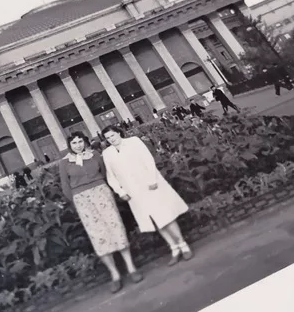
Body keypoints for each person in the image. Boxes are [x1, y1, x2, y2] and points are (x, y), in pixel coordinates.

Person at [59, 131, 143, 292]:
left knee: (115, 226)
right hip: (82, 200)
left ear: (85, 141)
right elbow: (65, 187)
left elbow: (104, 173)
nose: (78, 145)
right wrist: (78, 199)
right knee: (97, 234)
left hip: (102, 193)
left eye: (80, 141)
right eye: (74, 143)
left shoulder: (95, 155)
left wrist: (100, 188)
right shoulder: (64, 163)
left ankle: (131, 268)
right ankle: (115, 274)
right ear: (69, 145)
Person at [101, 125, 193, 266]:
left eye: (112, 135)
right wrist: (121, 192)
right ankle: (174, 248)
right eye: (107, 138)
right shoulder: (107, 153)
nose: (111, 139)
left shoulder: (134, 141)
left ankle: (183, 245)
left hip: (150, 186)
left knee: (165, 216)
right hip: (133, 193)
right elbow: (111, 176)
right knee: (153, 219)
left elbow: (148, 160)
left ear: (118, 133)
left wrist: (152, 180)